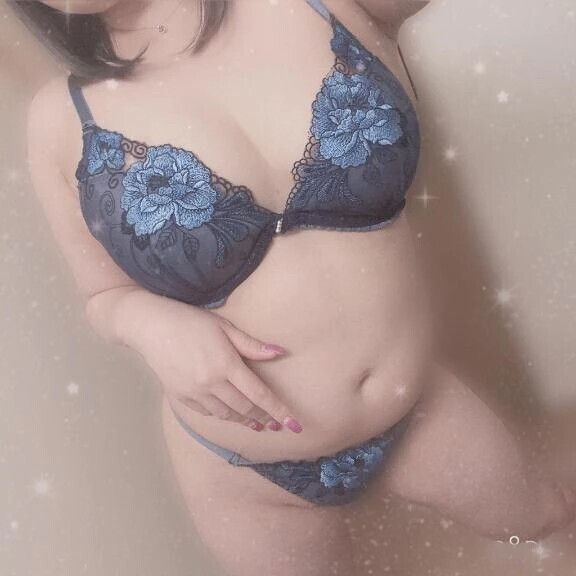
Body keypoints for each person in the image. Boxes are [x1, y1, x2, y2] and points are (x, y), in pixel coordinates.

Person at [15, 0, 575, 574]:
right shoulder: (60, 119)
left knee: (545, 518)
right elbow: (101, 296)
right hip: (241, 469)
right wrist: (145, 322)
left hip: (416, 410)